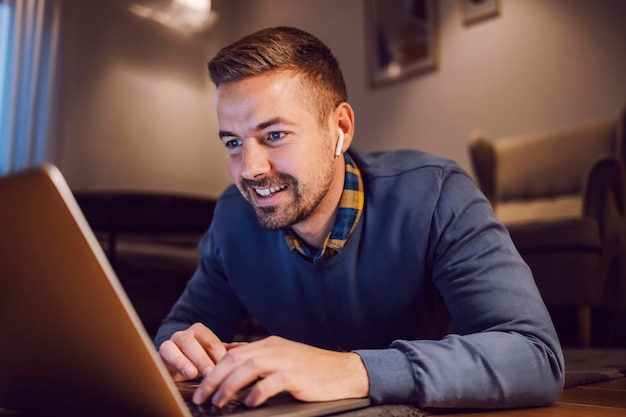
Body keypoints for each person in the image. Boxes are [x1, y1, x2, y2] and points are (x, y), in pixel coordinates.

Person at [155, 26, 564, 411]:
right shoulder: (232, 218)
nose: (250, 169)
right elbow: (175, 334)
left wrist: (351, 369)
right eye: (233, 142)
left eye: (274, 135)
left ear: (341, 128)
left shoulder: (436, 195)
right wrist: (180, 351)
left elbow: (535, 357)